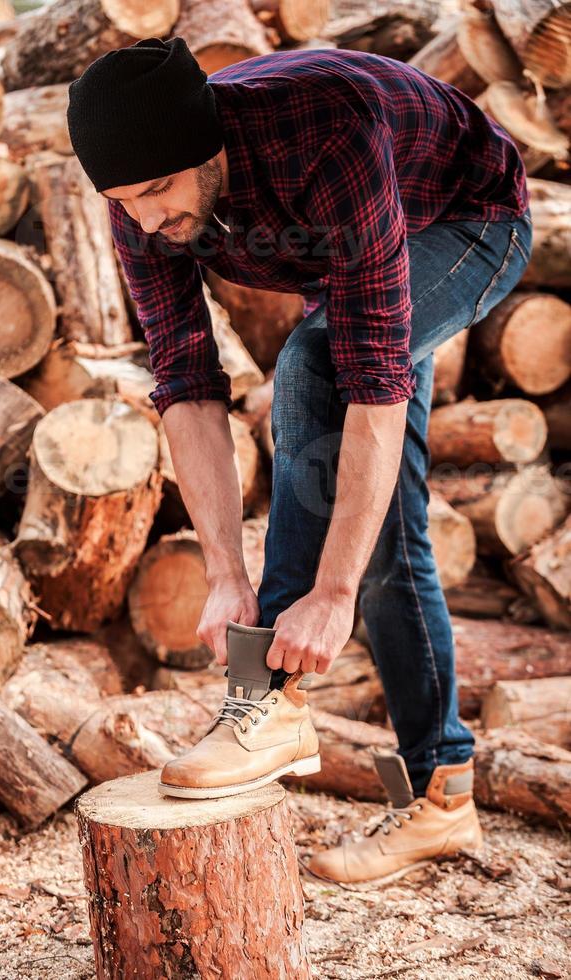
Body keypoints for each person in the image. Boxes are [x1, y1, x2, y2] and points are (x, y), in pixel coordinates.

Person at [67, 36, 532, 885]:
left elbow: (375, 376)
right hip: (357, 258)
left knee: (316, 363)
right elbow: (186, 380)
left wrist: (329, 593)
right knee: (383, 530)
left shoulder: (322, 128)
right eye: (122, 200)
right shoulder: (140, 198)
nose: (146, 219)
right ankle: (443, 795)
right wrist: (219, 572)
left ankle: (268, 700)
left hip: (467, 221)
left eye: (160, 191)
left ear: (209, 148)